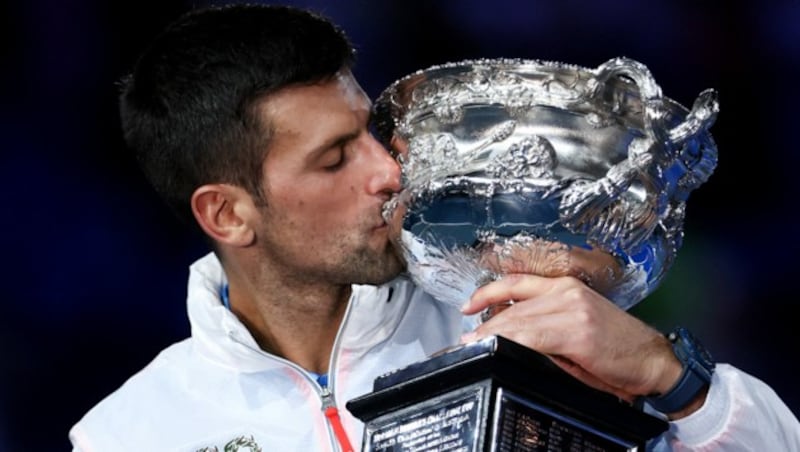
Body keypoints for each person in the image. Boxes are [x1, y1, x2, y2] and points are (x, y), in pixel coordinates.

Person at [70, 3, 800, 451]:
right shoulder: (130, 434)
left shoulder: (524, 310)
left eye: (371, 133)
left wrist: (667, 376)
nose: (387, 171)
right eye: (333, 161)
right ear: (227, 213)